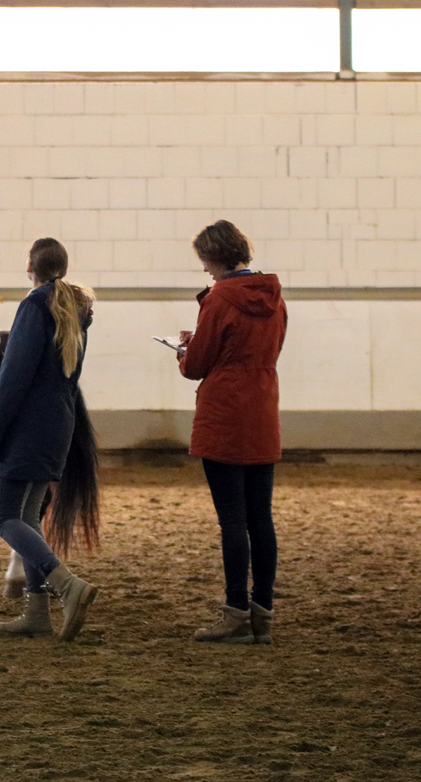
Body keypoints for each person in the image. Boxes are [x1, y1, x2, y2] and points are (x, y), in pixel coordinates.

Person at [0, 238, 99, 642]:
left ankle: (66, 584)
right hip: (57, 424)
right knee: (28, 518)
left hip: (25, 428)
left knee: (3, 517)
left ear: (31, 265)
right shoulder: (73, 309)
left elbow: (12, 380)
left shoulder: (34, 307)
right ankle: (36, 612)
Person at [177, 220, 287, 645]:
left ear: (213, 257)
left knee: (232, 521)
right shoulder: (275, 298)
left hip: (224, 413)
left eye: (204, 260)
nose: (204, 269)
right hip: (262, 409)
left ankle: (235, 612)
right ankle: (263, 613)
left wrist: (186, 349)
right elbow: (268, 349)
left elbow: (197, 366)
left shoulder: (219, 298)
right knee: (261, 518)